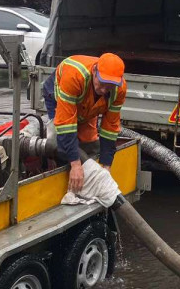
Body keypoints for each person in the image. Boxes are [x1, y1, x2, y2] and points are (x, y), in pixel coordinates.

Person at [42, 53, 127, 193]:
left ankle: (84, 180)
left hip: (86, 104)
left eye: (110, 86)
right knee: (59, 142)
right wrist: (75, 166)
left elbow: (110, 129)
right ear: (94, 72)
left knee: (88, 143)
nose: (105, 90)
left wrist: (106, 167)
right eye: (102, 83)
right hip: (58, 94)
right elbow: (66, 126)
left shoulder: (120, 89)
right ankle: (60, 176)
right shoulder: (74, 76)